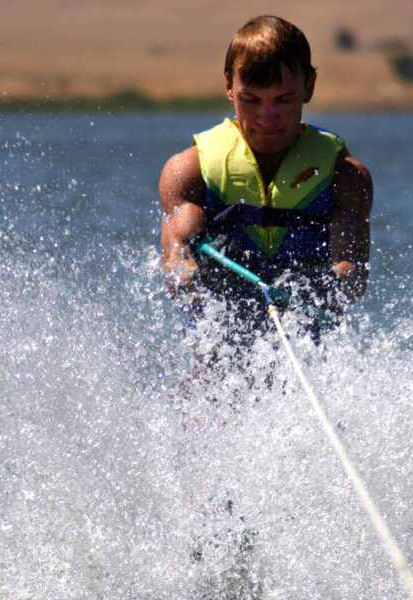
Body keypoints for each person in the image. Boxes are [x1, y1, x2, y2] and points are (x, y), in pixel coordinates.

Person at [159, 15, 372, 354]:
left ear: (309, 87)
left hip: (306, 347)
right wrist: (182, 267)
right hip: (222, 348)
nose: (267, 117)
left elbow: (352, 274)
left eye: (283, 100)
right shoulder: (189, 170)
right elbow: (177, 249)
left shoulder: (345, 177)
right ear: (230, 87)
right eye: (252, 99)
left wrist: (326, 285)